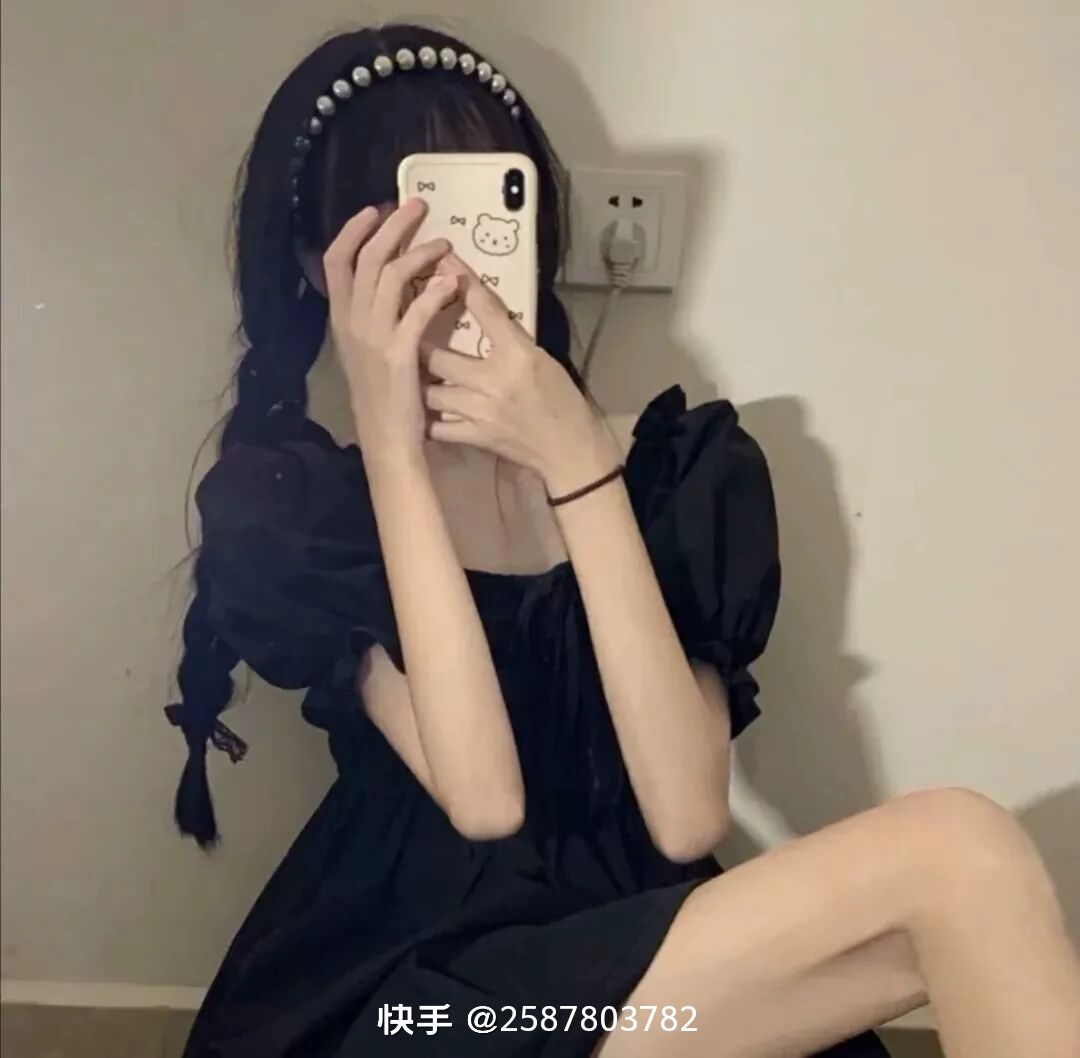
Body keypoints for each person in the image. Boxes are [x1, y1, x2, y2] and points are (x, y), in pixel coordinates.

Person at [166, 24, 1080, 1058]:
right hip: (436, 988)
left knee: (969, 863)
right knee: (957, 850)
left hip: (655, 973)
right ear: (319, 265)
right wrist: (391, 443)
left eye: (480, 213)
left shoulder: (673, 469)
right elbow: (484, 797)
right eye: (405, 224)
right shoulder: (301, 508)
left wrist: (576, 461)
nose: (448, 260)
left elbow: (685, 817)